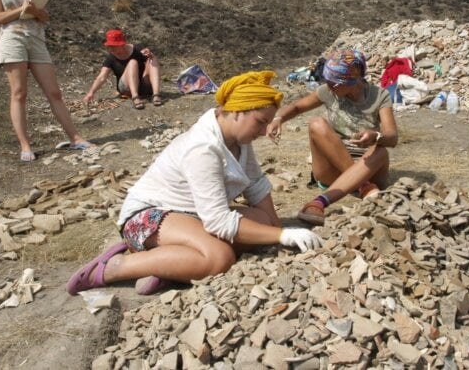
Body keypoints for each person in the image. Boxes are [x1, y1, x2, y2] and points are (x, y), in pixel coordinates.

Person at [67, 71, 323, 296]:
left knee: (262, 224)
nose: (265, 130)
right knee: (218, 259)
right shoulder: (204, 147)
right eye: (261, 122)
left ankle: (170, 266)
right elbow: (218, 221)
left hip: (191, 215)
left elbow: (255, 184)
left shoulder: (238, 140)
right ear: (236, 112)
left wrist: (274, 230)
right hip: (147, 219)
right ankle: (114, 268)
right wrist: (282, 234)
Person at [0, 0, 91, 162]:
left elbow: (45, 17)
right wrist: (23, 10)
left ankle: (76, 138)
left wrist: (35, 11)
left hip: (36, 39)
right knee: (19, 93)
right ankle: (25, 145)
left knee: (54, 93)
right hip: (13, 38)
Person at [267, 49, 398, 226]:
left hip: (368, 167)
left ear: (351, 80)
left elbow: (392, 137)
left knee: (381, 150)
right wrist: (278, 118)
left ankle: (322, 200)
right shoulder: (329, 92)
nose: (328, 86)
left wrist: (376, 136)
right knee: (316, 124)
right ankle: (361, 186)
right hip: (333, 167)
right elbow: (297, 107)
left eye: (333, 83)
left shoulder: (380, 96)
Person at [83, 29, 162, 110]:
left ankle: (156, 94)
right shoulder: (111, 58)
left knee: (152, 58)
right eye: (109, 46)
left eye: (114, 46)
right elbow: (102, 77)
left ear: (122, 44)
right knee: (133, 62)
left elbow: (152, 65)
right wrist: (91, 92)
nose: (111, 49)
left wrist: (150, 55)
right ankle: (135, 97)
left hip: (144, 85)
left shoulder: (137, 49)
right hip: (126, 87)